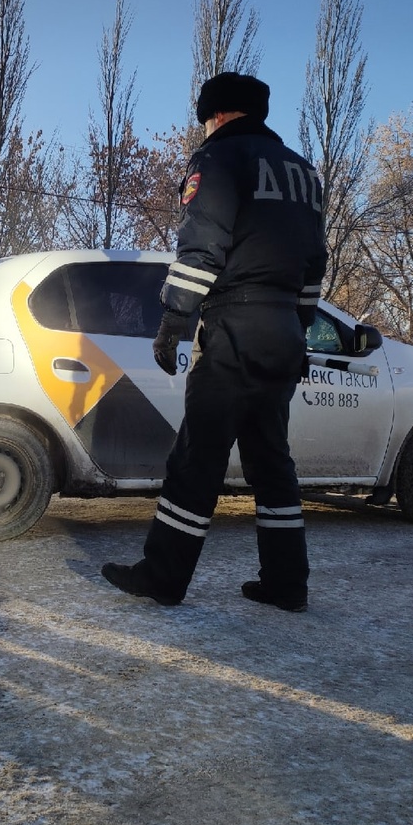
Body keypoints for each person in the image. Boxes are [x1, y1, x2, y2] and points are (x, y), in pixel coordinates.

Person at [101, 72, 327, 612]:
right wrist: (296, 326)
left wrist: (174, 321)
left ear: (219, 114)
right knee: (273, 463)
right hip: (284, 333)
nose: (204, 125)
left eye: (206, 115)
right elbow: (314, 266)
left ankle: (162, 577)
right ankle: (286, 582)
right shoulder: (304, 174)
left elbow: (201, 253)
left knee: (197, 459)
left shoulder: (219, 160)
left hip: (235, 329)